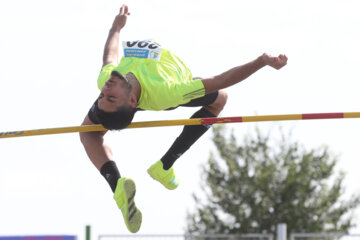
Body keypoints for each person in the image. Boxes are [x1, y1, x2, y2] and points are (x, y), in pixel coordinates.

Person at [79, 4, 287, 233]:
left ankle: (134, 180)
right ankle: (156, 169)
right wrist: (262, 62)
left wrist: (116, 28)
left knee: (87, 131)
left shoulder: (106, 79)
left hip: (144, 92)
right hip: (162, 92)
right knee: (220, 99)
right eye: (110, 98)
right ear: (128, 102)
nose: (106, 89)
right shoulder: (169, 91)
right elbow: (222, 79)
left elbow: (110, 55)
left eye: (103, 96)